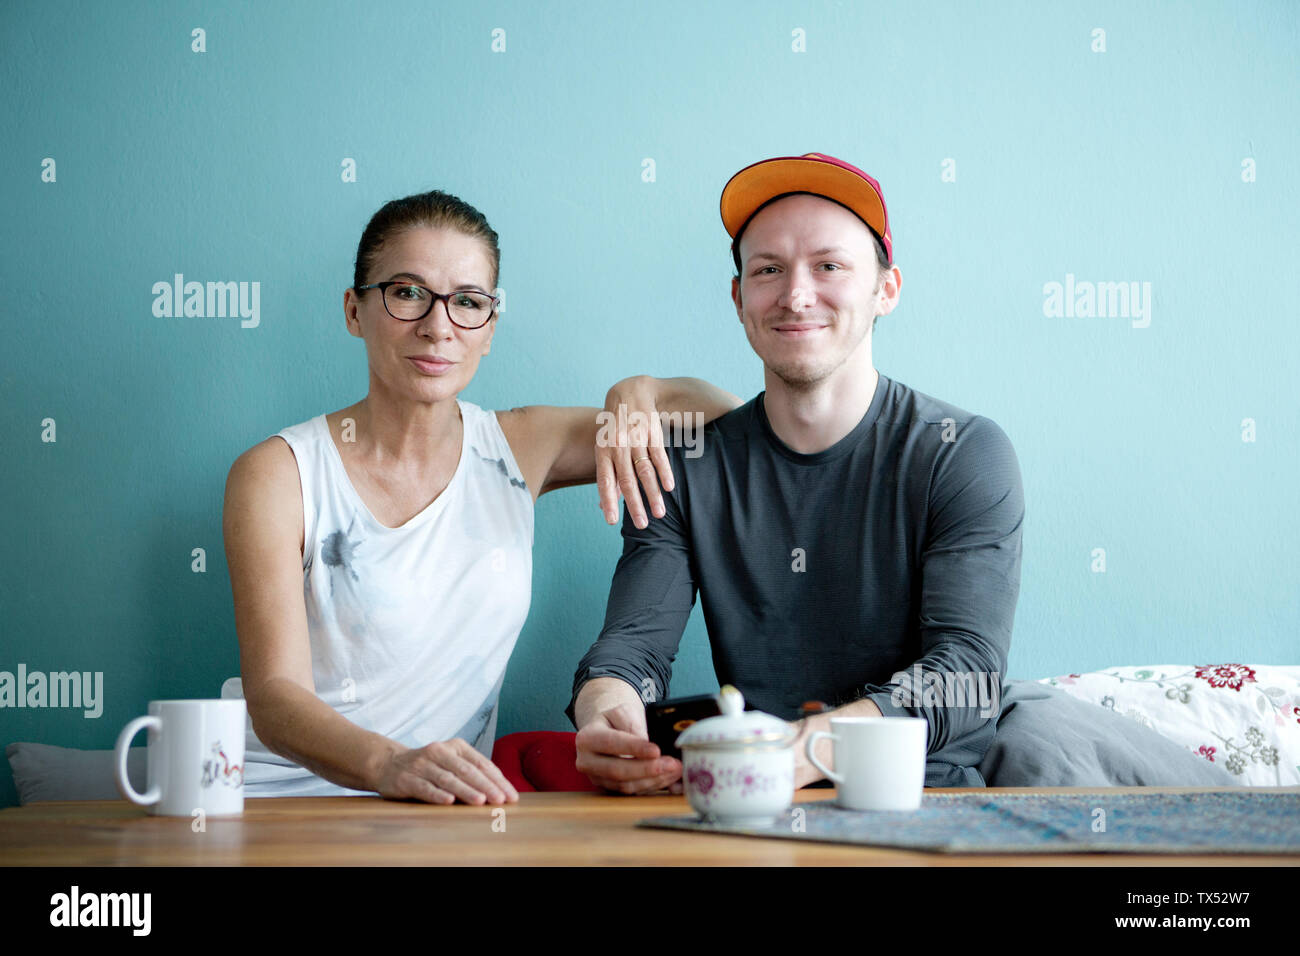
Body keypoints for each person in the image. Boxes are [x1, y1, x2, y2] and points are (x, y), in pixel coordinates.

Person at [222, 189, 739, 805]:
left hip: (433, 813)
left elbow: (730, 418)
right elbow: (276, 699)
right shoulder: (277, 474)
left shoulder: (520, 446)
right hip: (275, 800)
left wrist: (640, 390)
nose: (437, 326)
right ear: (354, 311)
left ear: (489, 329)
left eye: (467, 302)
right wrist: (391, 765)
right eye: (407, 292)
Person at [568, 152, 1025, 793]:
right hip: (745, 805)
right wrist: (603, 711)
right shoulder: (687, 465)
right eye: (769, 270)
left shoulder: (960, 451)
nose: (796, 294)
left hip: (920, 801)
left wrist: (807, 748)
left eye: (829, 266)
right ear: (739, 298)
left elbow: (967, 673)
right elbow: (634, 646)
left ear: (885, 290)